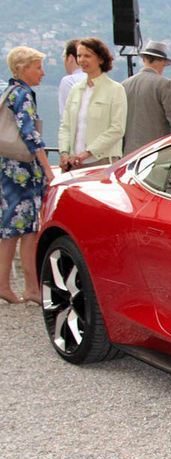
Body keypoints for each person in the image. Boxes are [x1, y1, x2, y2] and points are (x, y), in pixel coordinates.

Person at [0, 47, 55, 304]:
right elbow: (31, 135)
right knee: (26, 229)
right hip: (22, 171)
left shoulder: (8, 91)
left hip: (9, 168)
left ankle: (12, 285)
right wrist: (47, 169)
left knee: (13, 229)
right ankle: (29, 287)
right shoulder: (22, 95)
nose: (42, 72)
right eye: (38, 67)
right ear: (23, 68)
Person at [58, 38, 126, 171]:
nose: (82, 60)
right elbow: (65, 126)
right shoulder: (75, 90)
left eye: (87, 56)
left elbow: (117, 129)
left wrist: (88, 152)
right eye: (79, 56)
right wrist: (64, 152)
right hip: (73, 163)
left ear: (100, 59)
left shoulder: (115, 89)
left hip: (102, 162)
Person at [122, 41, 171, 154]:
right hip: (155, 151)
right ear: (162, 62)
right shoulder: (165, 84)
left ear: (144, 59)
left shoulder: (125, 85)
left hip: (129, 153)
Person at [58, 39, 85, 117]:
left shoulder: (69, 81)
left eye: (64, 57)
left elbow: (66, 115)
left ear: (70, 58)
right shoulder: (98, 79)